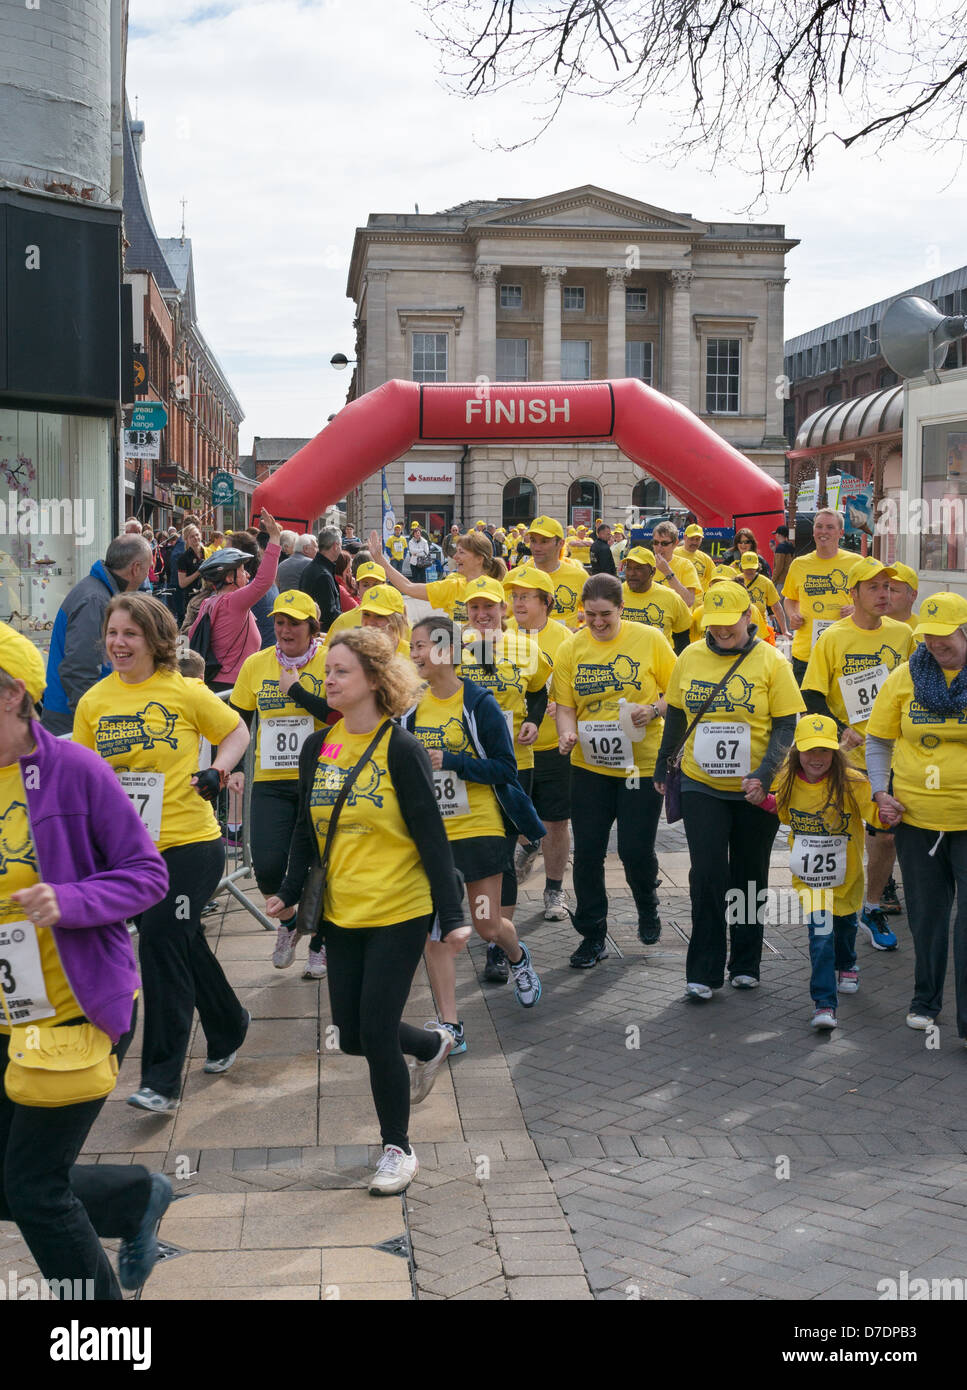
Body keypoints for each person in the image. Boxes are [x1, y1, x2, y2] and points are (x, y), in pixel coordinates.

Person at [0, 622, 173, 1300]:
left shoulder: (72, 771)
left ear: (14, 695)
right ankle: (133, 1199)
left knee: (35, 1189)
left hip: (74, 1007)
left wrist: (67, 899)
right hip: (8, 1011)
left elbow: (146, 876)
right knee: (9, 1183)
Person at [266, 628, 466, 1195]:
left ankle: (397, 1149)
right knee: (349, 1034)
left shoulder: (399, 749)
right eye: (326, 671)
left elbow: (432, 836)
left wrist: (451, 916)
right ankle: (431, 1044)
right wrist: (286, 891)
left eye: (341, 671)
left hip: (399, 909)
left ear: (375, 681)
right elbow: (309, 831)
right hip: (340, 912)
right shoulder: (319, 747)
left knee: (376, 1030)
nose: (327, 679)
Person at [73, 594, 251, 1114]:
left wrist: (217, 769)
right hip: (130, 853)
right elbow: (84, 775)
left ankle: (161, 1079)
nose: (119, 643)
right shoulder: (94, 703)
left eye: (130, 634)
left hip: (189, 844)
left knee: (159, 942)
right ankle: (228, 1023)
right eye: (112, 633)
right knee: (181, 941)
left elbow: (236, 730)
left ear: (154, 640)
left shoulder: (184, 690)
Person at [655, 580, 804, 998]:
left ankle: (745, 961)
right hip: (703, 784)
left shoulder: (772, 661)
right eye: (715, 624)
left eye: (730, 625)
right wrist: (661, 767)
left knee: (749, 876)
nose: (722, 632)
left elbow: (786, 724)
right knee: (707, 874)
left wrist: (765, 772)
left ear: (748, 618)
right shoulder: (690, 656)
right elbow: (678, 717)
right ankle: (703, 971)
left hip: (755, 788)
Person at [402, 615, 545, 1050]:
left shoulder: (478, 703)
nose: (415, 655)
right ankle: (451, 1026)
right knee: (438, 932)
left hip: (480, 830)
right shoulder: (410, 708)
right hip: (433, 837)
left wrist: (452, 760)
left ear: (446, 651)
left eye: (422, 646)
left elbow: (505, 767)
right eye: (412, 647)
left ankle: (517, 957)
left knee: (484, 925)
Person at [554, 574, 676, 966]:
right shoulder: (572, 647)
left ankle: (647, 902)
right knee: (588, 852)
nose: (598, 622)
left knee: (634, 849)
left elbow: (679, 692)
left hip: (639, 764)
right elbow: (566, 705)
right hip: (590, 764)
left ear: (621, 608)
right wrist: (567, 733)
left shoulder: (650, 639)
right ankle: (592, 935)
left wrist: (653, 709)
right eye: (590, 615)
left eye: (606, 614)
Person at [865, 592, 967, 1036]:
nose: (937, 646)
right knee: (927, 917)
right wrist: (879, 792)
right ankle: (925, 1000)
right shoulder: (905, 677)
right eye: (929, 638)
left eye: (946, 638)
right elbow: (878, 740)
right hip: (916, 822)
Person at [801, 557, 914, 946]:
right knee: (841, 834)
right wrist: (841, 730)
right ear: (854, 593)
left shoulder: (903, 635)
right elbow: (812, 694)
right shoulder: (833, 637)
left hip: (892, 753)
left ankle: (872, 905)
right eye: (874, 588)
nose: (884, 595)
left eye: (888, 587)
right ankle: (834, 910)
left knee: (885, 836)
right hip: (847, 754)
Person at [760, 715, 887, 1029]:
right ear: (797, 752)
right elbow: (784, 812)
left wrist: (887, 812)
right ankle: (824, 1005)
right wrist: (761, 799)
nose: (816, 759)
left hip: (848, 875)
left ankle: (848, 963)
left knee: (844, 926)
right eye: (809, 751)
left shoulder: (853, 782)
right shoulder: (787, 778)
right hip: (809, 878)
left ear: (836, 753)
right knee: (820, 935)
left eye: (825, 751)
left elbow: (874, 812)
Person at [232, 589, 331, 980]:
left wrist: (297, 691)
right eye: (280, 622)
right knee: (269, 867)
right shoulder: (256, 665)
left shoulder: (330, 661)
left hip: (322, 777)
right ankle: (289, 922)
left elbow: (339, 714)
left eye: (294, 622)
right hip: (272, 779)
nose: (285, 629)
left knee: (321, 865)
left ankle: (320, 942)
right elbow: (236, 723)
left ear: (312, 627)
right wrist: (236, 767)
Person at [458, 576, 552, 979]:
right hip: (463, 770)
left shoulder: (527, 649)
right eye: (475, 608)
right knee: (472, 855)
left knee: (503, 856)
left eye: (489, 607)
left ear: (503, 610)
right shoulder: (452, 648)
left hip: (515, 766)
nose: (482, 615)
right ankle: (475, 927)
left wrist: (532, 720)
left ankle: (496, 946)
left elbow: (538, 692)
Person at [505, 569, 573, 919]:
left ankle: (554, 890)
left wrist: (560, 703)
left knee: (557, 822)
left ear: (546, 602)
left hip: (552, 747)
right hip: (513, 751)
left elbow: (574, 687)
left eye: (526, 596)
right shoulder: (501, 636)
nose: (517, 602)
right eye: (514, 595)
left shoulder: (566, 639)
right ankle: (529, 842)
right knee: (514, 821)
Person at [41, 534, 153, 736]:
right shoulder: (95, 600)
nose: (148, 574)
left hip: (75, 712)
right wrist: (96, 724)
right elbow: (79, 670)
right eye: (148, 568)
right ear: (136, 568)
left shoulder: (99, 593)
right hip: (70, 719)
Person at [189, 512, 283, 692]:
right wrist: (275, 539)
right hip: (235, 685)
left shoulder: (209, 602)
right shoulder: (233, 602)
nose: (247, 574)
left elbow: (190, 637)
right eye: (241, 570)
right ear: (229, 577)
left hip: (216, 681)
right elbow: (263, 581)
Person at [368, 526, 506, 622]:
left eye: (461, 552)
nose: (455, 557)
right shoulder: (453, 587)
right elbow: (408, 587)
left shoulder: (502, 588)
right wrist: (381, 560)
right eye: (456, 551)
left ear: (479, 558)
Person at [781, 509, 856, 684]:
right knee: (809, 711)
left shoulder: (856, 563)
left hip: (845, 652)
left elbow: (872, 601)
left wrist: (856, 609)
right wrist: (792, 615)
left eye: (830, 527)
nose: (824, 532)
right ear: (813, 530)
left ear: (840, 533)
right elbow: (789, 599)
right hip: (807, 653)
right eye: (819, 526)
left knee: (842, 711)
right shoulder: (799, 564)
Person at [519, 516, 589, 631]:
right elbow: (502, 619)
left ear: (560, 543)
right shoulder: (516, 576)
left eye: (544, 541)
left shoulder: (579, 576)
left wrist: (580, 632)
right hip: (526, 647)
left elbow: (600, 614)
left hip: (565, 647)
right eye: (533, 541)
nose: (536, 547)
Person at [619, 546, 691, 654]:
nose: (631, 573)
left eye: (638, 568)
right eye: (629, 568)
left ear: (652, 571)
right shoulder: (614, 594)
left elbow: (682, 636)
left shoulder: (671, 598)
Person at [297, 526, 343, 633]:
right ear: (335, 546)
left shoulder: (312, 568)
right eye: (341, 545)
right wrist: (351, 617)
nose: (341, 548)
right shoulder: (323, 575)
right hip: (324, 636)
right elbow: (329, 614)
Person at [737, 551, 790, 637]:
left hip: (760, 632)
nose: (750, 571)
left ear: (758, 567)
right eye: (747, 568)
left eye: (752, 568)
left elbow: (776, 607)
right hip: (739, 631)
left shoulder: (766, 583)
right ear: (741, 568)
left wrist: (784, 630)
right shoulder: (736, 581)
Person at [650, 521, 698, 607]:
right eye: (656, 542)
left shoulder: (685, 565)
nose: (659, 547)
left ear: (675, 543)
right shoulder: (646, 563)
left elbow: (689, 601)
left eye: (664, 543)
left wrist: (667, 572)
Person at [175, 524, 206, 624]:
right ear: (186, 539)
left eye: (197, 535)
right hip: (192, 599)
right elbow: (182, 583)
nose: (195, 538)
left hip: (207, 596)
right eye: (191, 536)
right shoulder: (183, 558)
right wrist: (198, 572)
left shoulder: (207, 552)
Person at [675, 524, 714, 592]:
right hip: (678, 599)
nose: (694, 542)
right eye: (691, 539)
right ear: (684, 537)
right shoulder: (673, 554)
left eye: (697, 539)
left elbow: (714, 579)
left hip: (701, 601)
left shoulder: (706, 559)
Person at [887, 562, 919, 629]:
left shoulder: (923, 630)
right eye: (884, 588)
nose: (884, 594)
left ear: (913, 595)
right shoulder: (867, 625)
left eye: (892, 590)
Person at [770, 524, 796, 591]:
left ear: (778, 534)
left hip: (781, 580)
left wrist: (772, 580)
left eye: (776, 534)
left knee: (778, 600)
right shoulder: (790, 546)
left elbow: (779, 567)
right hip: (789, 578)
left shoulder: (780, 548)